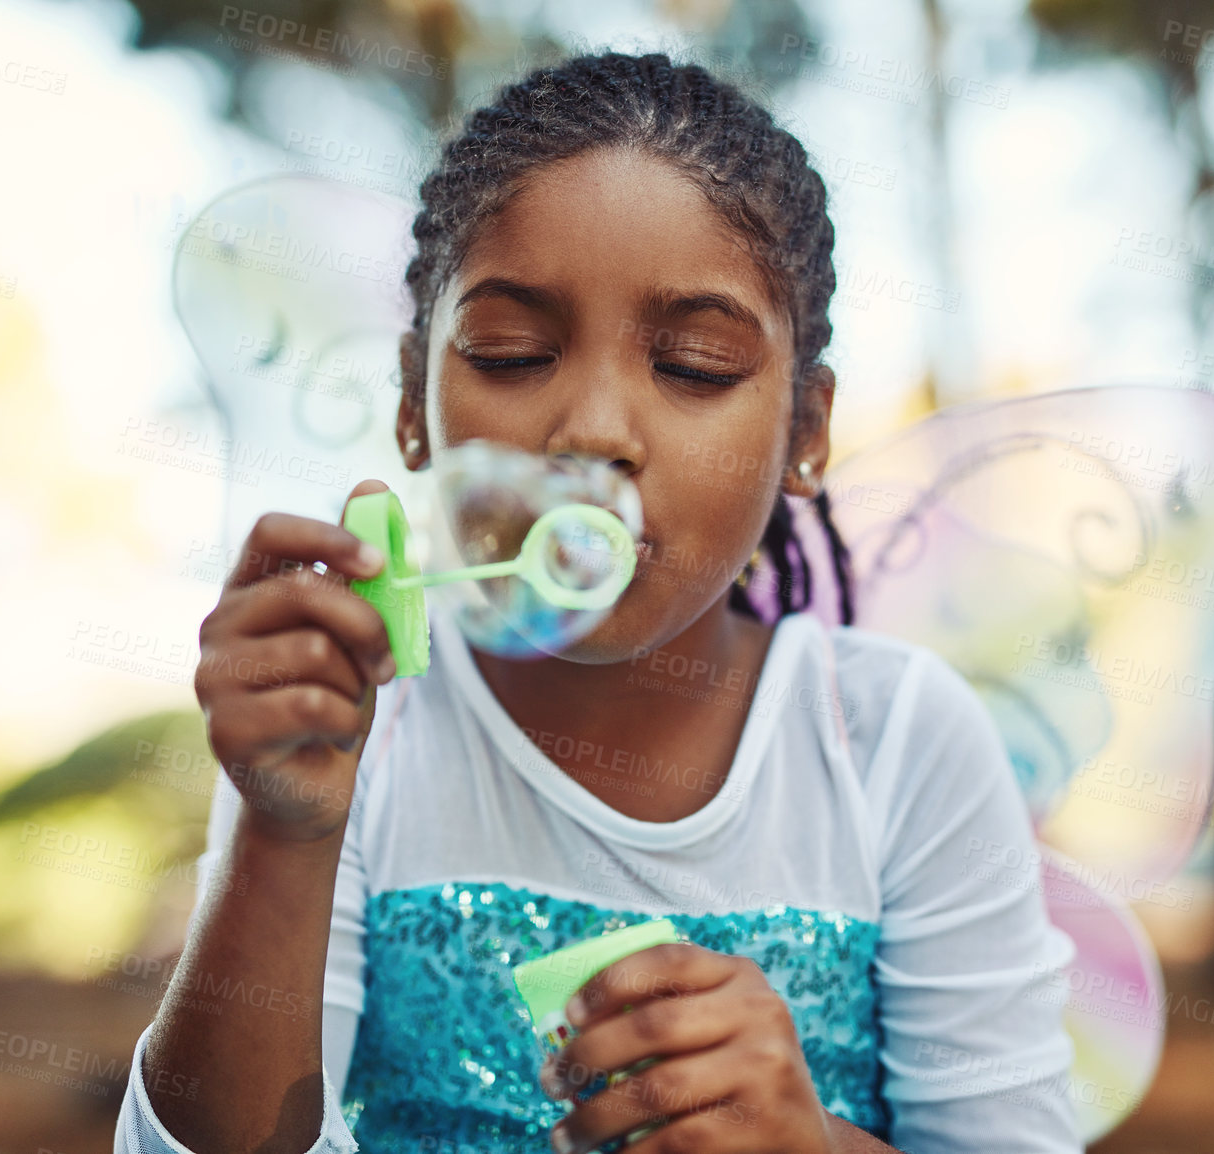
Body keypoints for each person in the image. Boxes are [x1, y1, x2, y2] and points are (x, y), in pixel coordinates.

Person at [116, 50, 1080, 1154]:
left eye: (696, 365)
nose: (593, 433)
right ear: (414, 409)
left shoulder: (900, 739)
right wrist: (285, 833)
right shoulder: (349, 730)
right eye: (511, 352)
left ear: (805, 433)